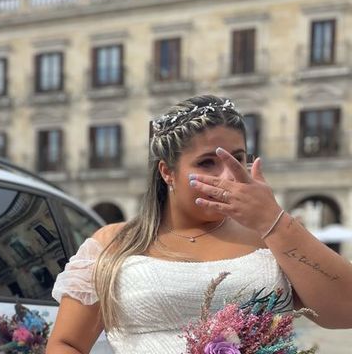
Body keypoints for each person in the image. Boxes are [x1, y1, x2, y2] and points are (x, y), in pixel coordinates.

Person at [47, 94, 352, 353]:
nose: (227, 176)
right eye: (207, 162)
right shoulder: (115, 242)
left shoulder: (272, 236)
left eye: (237, 158)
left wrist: (274, 221)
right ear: (167, 173)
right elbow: (66, 343)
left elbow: (345, 310)